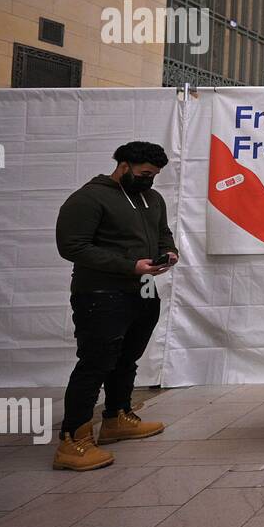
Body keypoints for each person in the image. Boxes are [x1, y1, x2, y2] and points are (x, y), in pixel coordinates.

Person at [53, 142, 176, 471]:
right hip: (101, 293)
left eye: (154, 175)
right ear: (124, 166)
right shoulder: (89, 198)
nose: (149, 180)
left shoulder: (152, 199)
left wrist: (169, 252)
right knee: (95, 362)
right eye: (144, 174)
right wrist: (128, 265)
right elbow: (72, 246)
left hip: (145, 291)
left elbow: (163, 233)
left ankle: (117, 416)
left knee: (127, 358)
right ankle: (73, 440)